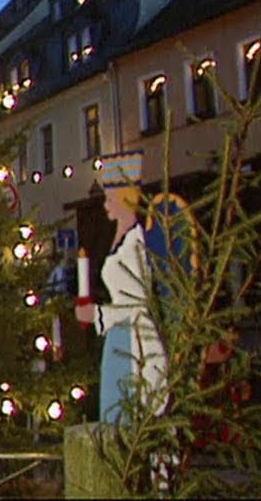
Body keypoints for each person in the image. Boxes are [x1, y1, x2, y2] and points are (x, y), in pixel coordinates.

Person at [74, 150, 169, 425]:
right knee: (114, 410)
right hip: (118, 337)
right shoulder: (120, 241)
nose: (105, 205)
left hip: (133, 339)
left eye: (110, 198)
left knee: (125, 412)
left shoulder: (136, 245)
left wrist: (98, 315)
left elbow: (136, 303)